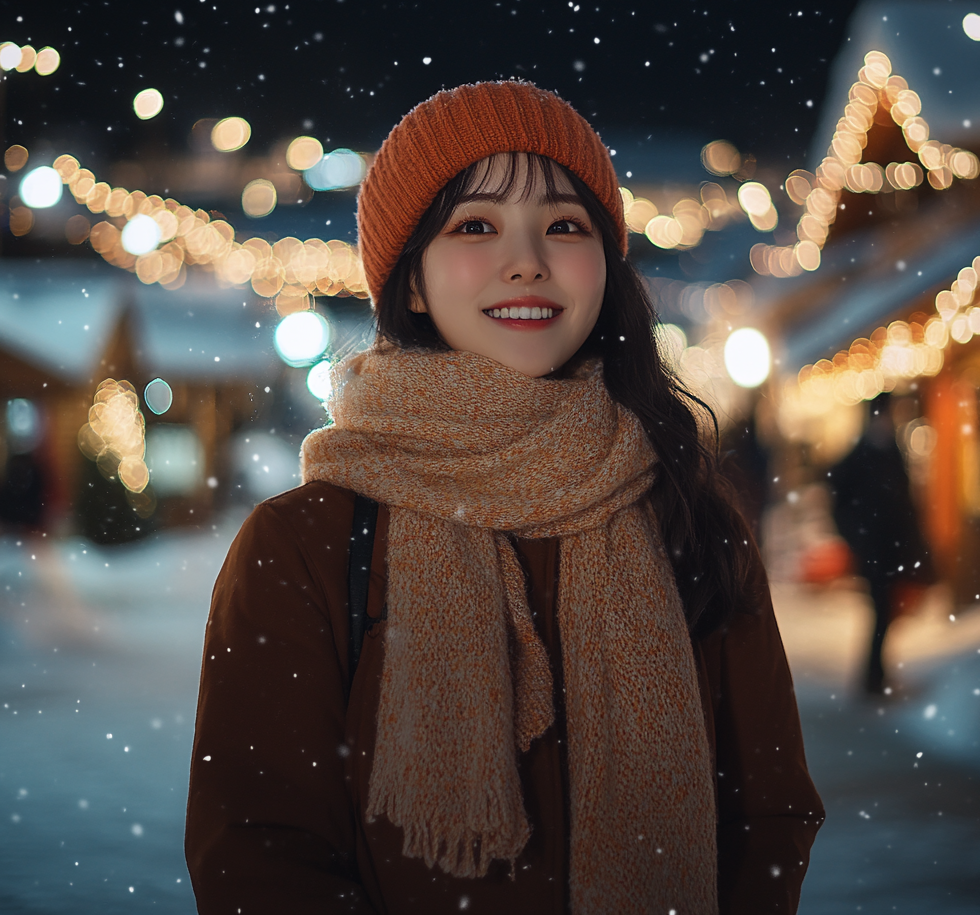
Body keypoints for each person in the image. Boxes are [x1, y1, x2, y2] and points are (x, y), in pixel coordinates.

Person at [185, 81, 824, 914]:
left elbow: (767, 816)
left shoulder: (689, 520)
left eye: (565, 225)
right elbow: (257, 849)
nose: (527, 260)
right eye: (474, 226)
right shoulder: (306, 543)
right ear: (410, 282)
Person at [829, 394, 932, 695]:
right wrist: (857, 537)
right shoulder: (861, 456)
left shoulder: (891, 452)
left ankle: (876, 673)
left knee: (885, 611)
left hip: (892, 547)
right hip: (875, 549)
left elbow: (904, 504)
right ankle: (873, 675)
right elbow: (840, 501)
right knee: (880, 609)